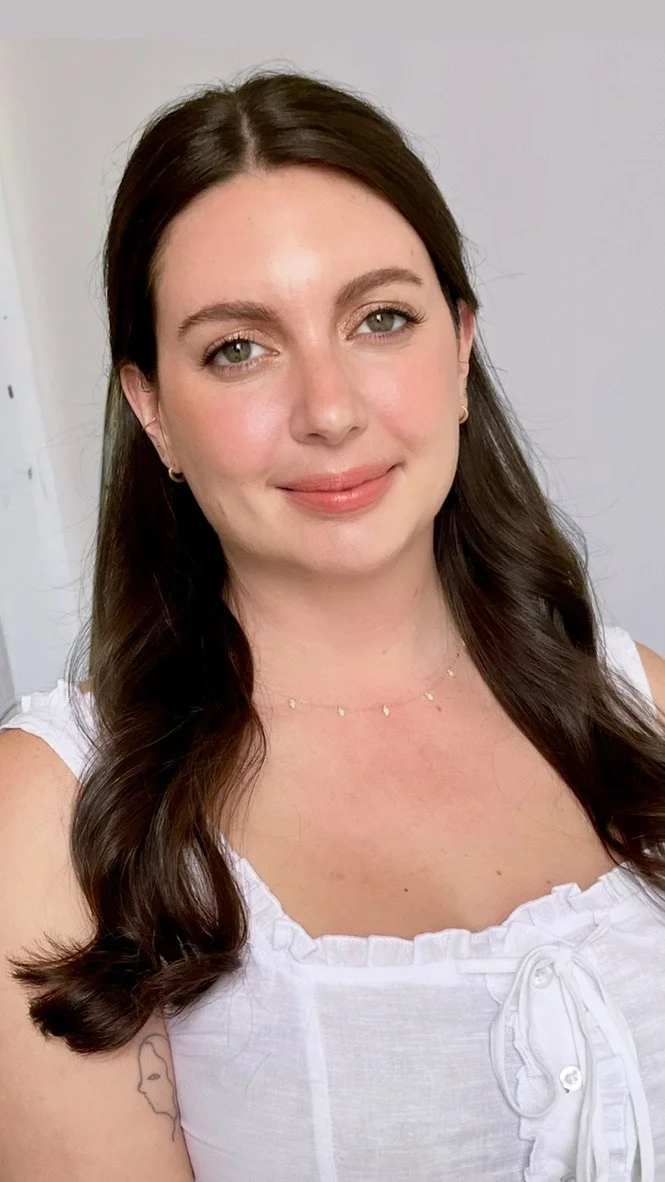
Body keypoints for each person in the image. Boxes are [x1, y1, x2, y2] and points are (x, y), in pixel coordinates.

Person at [1, 66, 664, 1182]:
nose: (327, 409)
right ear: (151, 409)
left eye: (381, 319)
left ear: (459, 351)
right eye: (237, 348)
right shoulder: (53, 816)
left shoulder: (636, 699)